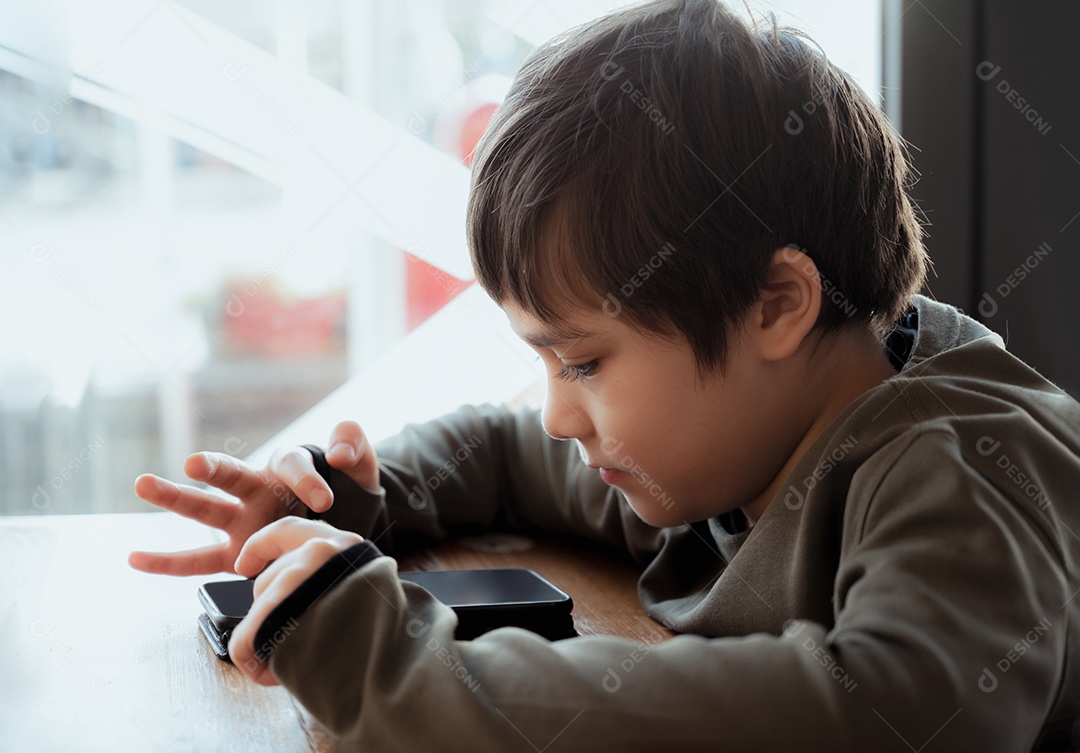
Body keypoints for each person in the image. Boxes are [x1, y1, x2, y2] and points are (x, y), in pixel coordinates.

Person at [129, 0, 1080, 750]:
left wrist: (386, 667)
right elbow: (499, 452)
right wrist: (346, 501)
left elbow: (890, 717)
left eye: (581, 361)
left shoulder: (957, 471)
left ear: (775, 306)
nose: (556, 415)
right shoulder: (732, 432)